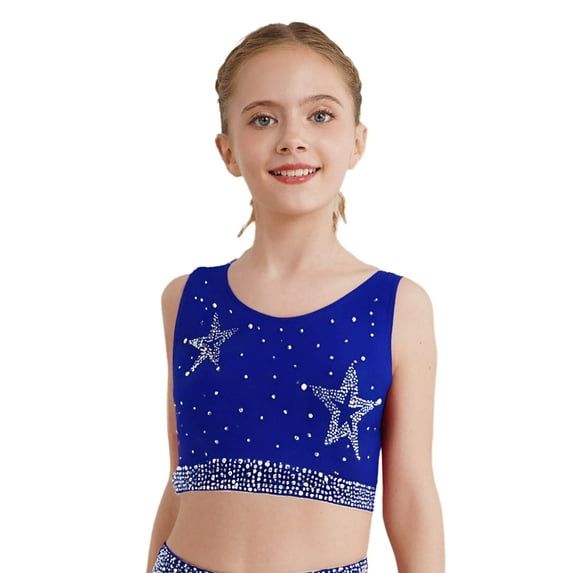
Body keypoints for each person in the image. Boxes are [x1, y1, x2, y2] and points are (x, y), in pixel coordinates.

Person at [147, 22, 444, 573]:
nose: (292, 138)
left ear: (357, 142)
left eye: (320, 115)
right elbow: (180, 477)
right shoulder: (186, 299)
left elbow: (411, 496)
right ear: (228, 150)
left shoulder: (398, 307)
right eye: (263, 119)